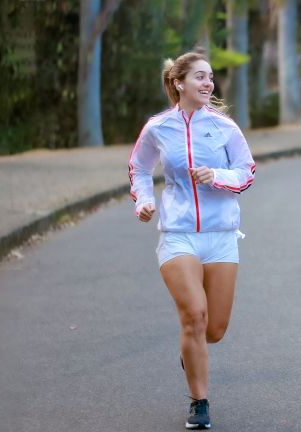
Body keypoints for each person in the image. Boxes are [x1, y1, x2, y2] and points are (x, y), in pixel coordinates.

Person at [128, 52, 255, 430]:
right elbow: (139, 168)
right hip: (178, 235)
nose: (208, 84)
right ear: (179, 83)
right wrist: (146, 200)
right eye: (199, 77)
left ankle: (192, 350)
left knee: (214, 329)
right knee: (194, 317)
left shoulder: (224, 127)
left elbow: (246, 172)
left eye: (211, 77)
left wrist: (216, 175)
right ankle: (199, 402)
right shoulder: (158, 127)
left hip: (221, 237)